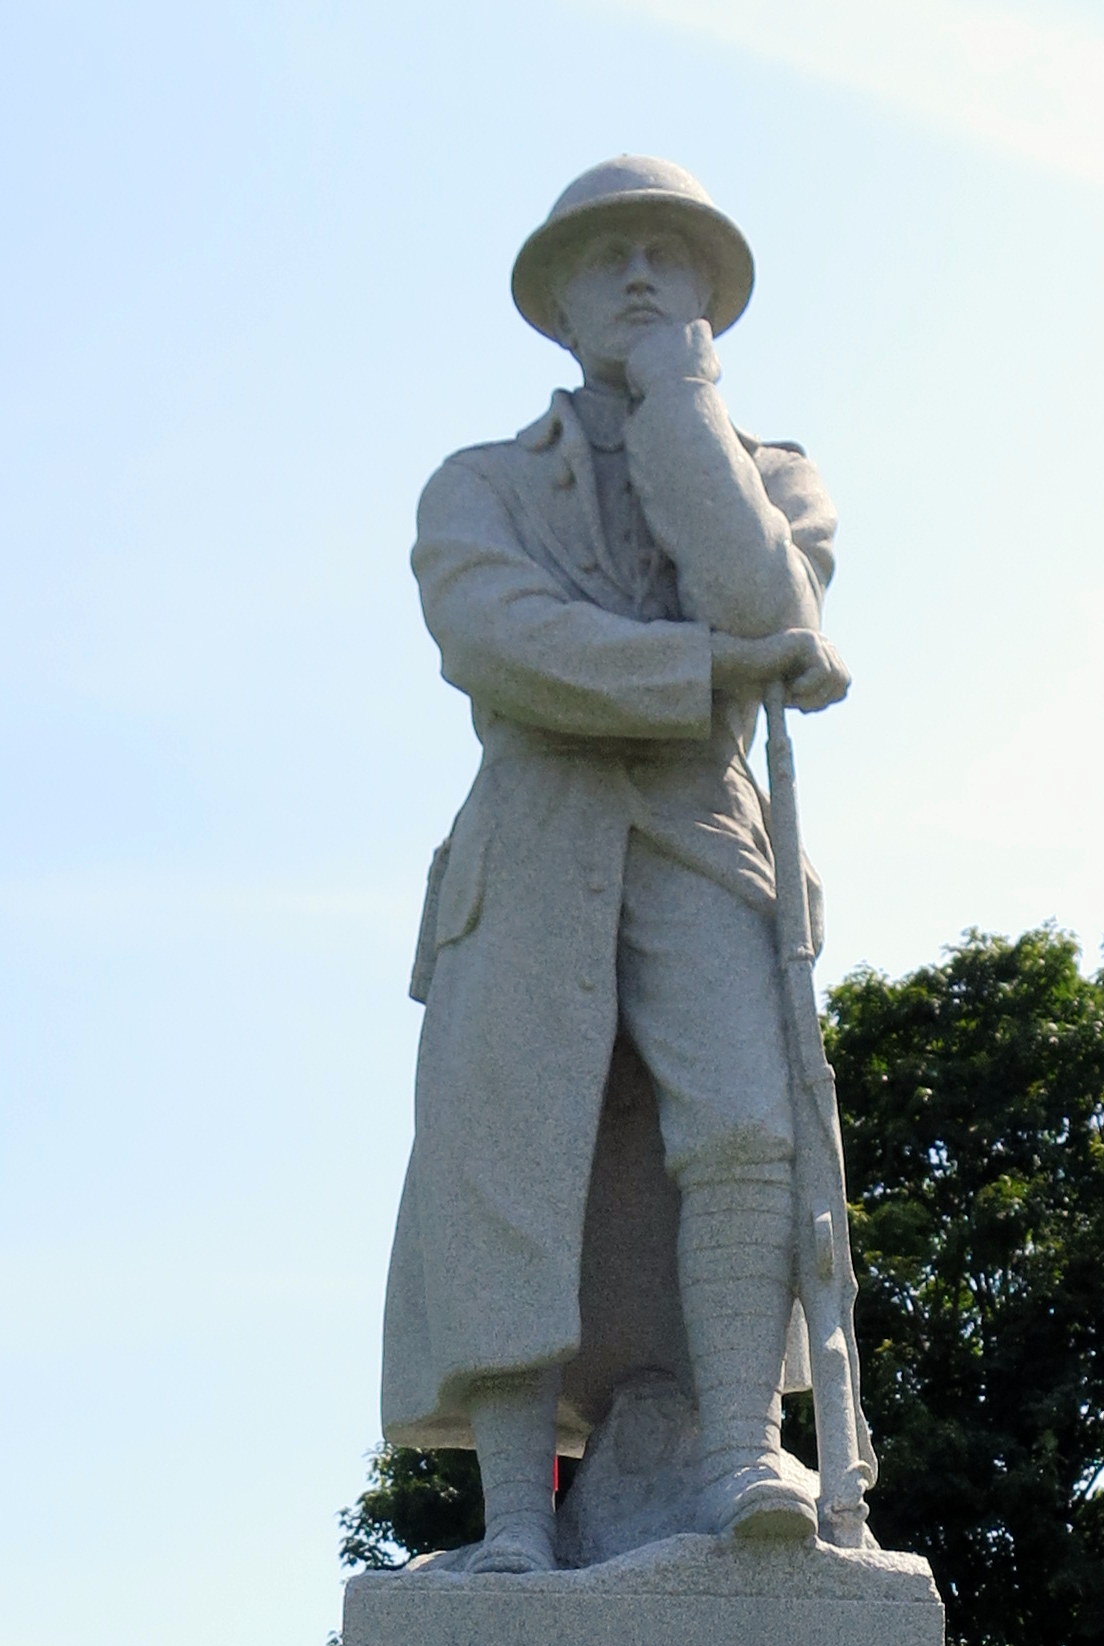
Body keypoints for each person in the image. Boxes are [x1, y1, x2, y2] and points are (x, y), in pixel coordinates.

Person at [380, 155, 850, 1572]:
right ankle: (515, 1519)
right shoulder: (477, 486)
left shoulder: (774, 475)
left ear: (710, 294)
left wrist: (683, 408)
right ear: (558, 301)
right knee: (512, 1168)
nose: (638, 275)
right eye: (607, 256)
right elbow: (499, 642)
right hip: (530, 849)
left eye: (666, 252)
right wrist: (704, 670)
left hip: (706, 839)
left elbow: (768, 600)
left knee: (747, 1130)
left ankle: (737, 1449)